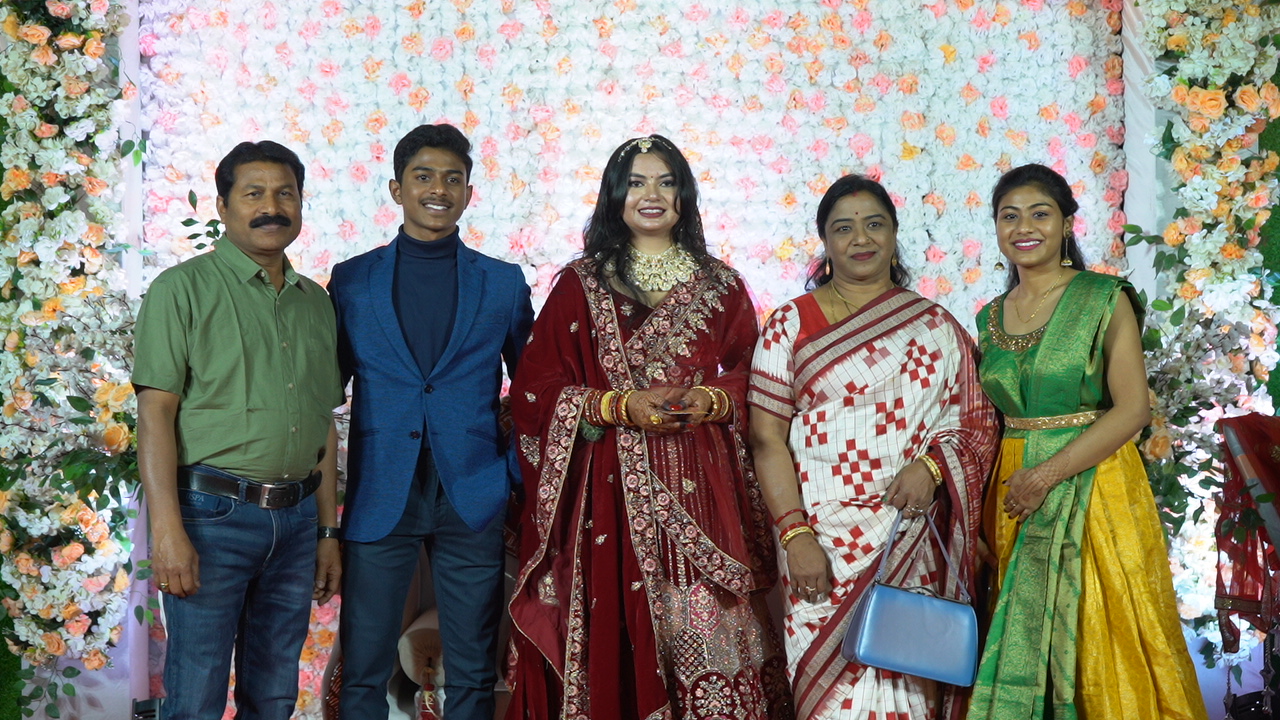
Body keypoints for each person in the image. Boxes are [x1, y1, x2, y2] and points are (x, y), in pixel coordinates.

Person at [505, 134, 794, 719]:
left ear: (683, 196)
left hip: (704, 493)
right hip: (607, 498)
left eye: (665, 182)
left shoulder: (722, 286)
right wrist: (616, 407)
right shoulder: (581, 284)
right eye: (636, 183)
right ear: (615, 197)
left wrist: (711, 399)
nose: (651, 194)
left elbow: (756, 376)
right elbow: (535, 388)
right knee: (617, 628)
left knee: (709, 631)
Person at [748, 174, 998, 719]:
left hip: (908, 534)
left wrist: (933, 468)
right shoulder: (790, 323)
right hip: (819, 540)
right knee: (826, 696)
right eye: (843, 228)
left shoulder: (934, 326)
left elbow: (975, 426)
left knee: (907, 682)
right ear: (825, 241)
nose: (860, 238)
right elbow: (766, 439)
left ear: (894, 232)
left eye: (874, 224)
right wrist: (794, 534)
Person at [966, 164, 1207, 719]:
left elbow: (1133, 409)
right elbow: (991, 423)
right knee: (1027, 639)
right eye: (1009, 216)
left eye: (1040, 213)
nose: (1024, 227)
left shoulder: (1102, 298)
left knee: (1102, 627)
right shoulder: (989, 318)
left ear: (1067, 223)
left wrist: (1047, 475)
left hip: (1096, 488)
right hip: (1014, 493)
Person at [328, 123, 533, 720]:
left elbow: (536, 392)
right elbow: (326, 388)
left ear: (468, 192)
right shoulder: (352, 280)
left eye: (452, 178)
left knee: (472, 671)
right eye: (423, 177)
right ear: (397, 189)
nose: (438, 189)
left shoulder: (502, 283)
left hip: (471, 492)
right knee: (362, 667)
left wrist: (509, 474)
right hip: (379, 490)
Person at [133, 140, 344, 719]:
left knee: (274, 693)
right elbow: (154, 414)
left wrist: (327, 530)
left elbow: (323, 423)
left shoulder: (316, 303)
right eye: (253, 194)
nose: (271, 207)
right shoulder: (181, 290)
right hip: (211, 518)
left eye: (285, 194)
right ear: (223, 207)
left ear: (301, 204)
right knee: (196, 693)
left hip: (297, 524)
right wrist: (167, 531)